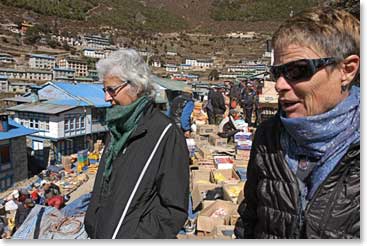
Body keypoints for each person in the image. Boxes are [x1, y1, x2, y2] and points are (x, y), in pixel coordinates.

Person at [235, 7, 360, 239]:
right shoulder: (268, 137)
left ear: (347, 70)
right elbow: (250, 219)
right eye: (277, 73)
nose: (280, 84)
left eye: (297, 70)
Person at [84, 48, 190, 239]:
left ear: (136, 86)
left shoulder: (165, 134)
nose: (106, 97)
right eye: (105, 90)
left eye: (111, 90)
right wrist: (93, 222)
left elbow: (173, 209)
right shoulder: (117, 130)